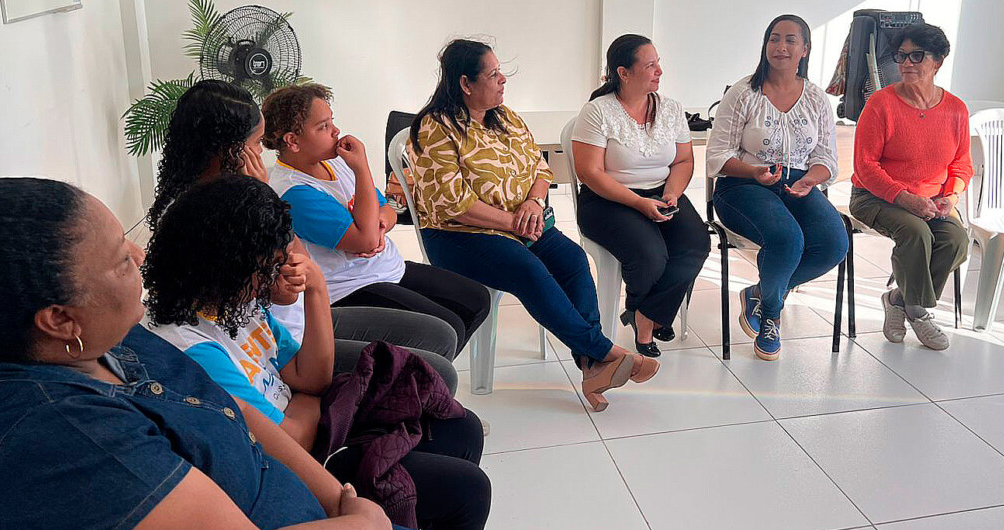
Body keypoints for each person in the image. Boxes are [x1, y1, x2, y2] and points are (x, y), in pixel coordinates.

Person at [0, 177, 517, 530]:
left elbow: (244, 415)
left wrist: (339, 502)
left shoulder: (114, 343)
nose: (140, 256)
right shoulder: (58, 442)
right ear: (59, 319)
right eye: (121, 258)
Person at [142, 176, 511, 530]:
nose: (275, 275)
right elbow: (290, 438)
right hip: (301, 471)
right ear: (230, 264)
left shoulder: (232, 307)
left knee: (461, 428)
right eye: (267, 266)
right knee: (468, 491)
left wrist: (316, 288)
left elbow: (312, 378)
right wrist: (307, 400)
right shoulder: (195, 348)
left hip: (319, 434)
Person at [148, 79, 462, 386]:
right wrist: (262, 197)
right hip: (281, 340)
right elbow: (285, 289)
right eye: (256, 144)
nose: (262, 153)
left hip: (293, 321)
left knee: (441, 334)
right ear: (231, 150)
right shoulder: (195, 214)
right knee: (434, 370)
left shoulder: (253, 189)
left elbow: (299, 263)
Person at [408, 38, 659, 412]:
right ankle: (605, 352)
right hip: (460, 234)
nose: (503, 79)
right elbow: (454, 204)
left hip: (522, 223)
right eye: (493, 74)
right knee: (529, 270)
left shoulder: (505, 117)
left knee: (573, 260)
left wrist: (533, 202)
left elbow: (540, 168)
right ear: (465, 84)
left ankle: (593, 366)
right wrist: (513, 221)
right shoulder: (434, 129)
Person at [261, 83, 491, 358]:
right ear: (292, 141)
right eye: (323, 126)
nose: (336, 131)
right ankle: (420, 373)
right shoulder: (294, 192)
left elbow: (387, 210)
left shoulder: (333, 162)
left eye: (332, 121)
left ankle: (423, 371)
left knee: (476, 300)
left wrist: (377, 225)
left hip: (384, 267)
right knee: (448, 326)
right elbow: (365, 240)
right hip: (350, 287)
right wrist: (361, 168)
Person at [708, 14, 848, 361]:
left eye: (789, 40)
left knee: (834, 243)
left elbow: (826, 158)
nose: (780, 47)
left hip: (797, 185)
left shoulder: (816, 99)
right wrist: (754, 172)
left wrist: (810, 179)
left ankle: (761, 293)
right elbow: (717, 155)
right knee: (787, 238)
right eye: (774, 38)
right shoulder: (743, 93)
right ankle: (771, 316)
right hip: (742, 185)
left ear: (805, 49)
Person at [571, 34, 710, 357]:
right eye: (650, 65)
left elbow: (683, 161)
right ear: (623, 72)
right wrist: (638, 203)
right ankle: (648, 321)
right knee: (651, 254)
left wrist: (672, 193)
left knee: (696, 243)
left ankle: (644, 313)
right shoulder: (597, 111)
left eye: (658, 63)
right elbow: (589, 173)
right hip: (608, 199)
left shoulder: (671, 108)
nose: (659, 71)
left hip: (662, 192)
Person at [849, 22, 972, 351]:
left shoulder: (956, 109)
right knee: (916, 233)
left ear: (938, 62)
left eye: (917, 56)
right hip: (874, 197)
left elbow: (961, 163)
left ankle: (897, 299)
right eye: (901, 55)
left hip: (931, 200)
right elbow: (865, 166)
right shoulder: (881, 104)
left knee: (956, 240)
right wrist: (905, 198)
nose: (906, 63)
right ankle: (918, 311)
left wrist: (952, 195)